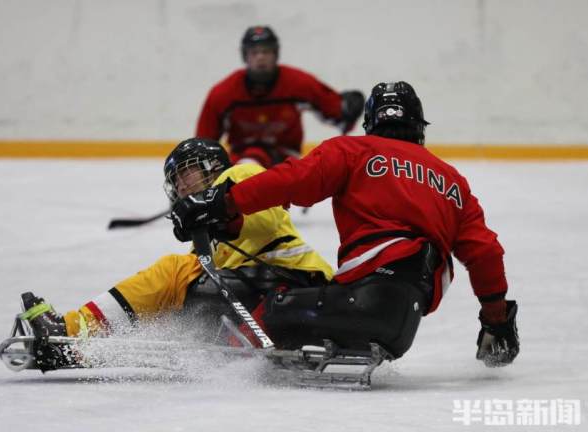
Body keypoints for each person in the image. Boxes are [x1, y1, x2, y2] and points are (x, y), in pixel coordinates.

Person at [171, 82, 520, 367]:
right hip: (401, 326)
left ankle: (223, 364)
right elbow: (485, 253)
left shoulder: (354, 151)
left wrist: (222, 201)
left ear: (371, 123)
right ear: (418, 127)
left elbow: (292, 180)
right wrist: (497, 320)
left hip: (362, 300)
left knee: (276, 304)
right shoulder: (452, 181)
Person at [18, 138, 333, 372]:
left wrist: (217, 213)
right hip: (270, 287)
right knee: (183, 297)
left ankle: (69, 331)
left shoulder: (238, 175)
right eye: (176, 182)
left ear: (213, 167)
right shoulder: (212, 228)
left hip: (296, 281)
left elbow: (263, 215)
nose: (181, 186)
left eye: (187, 174)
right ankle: (76, 350)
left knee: (176, 271)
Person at [195, 25, 365, 168]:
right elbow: (204, 141)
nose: (260, 57)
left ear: (276, 54)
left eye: (266, 51)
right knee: (249, 162)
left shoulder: (298, 83)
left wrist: (346, 109)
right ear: (245, 56)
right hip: (240, 159)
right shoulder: (224, 93)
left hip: (285, 158)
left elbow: (333, 109)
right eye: (254, 52)